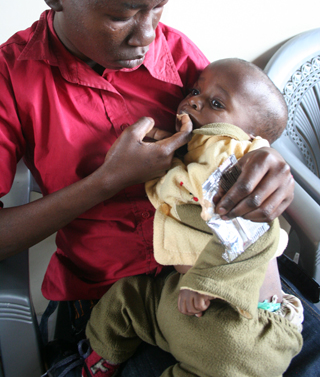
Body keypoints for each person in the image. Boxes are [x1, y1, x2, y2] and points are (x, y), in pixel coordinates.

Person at [0, 0, 316, 376]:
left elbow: (236, 139)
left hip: (219, 272)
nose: (146, 34)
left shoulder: (183, 59)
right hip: (116, 298)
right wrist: (106, 181)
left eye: (159, 8)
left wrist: (270, 170)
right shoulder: (12, 79)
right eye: (122, 15)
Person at [78, 59, 303, 377]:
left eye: (215, 103)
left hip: (240, 324)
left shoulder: (231, 159)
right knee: (129, 299)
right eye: (195, 90)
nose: (193, 100)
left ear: (249, 136)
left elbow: (253, 231)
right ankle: (100, 358)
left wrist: (204, 284)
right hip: (178, 299)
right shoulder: (195, 152)